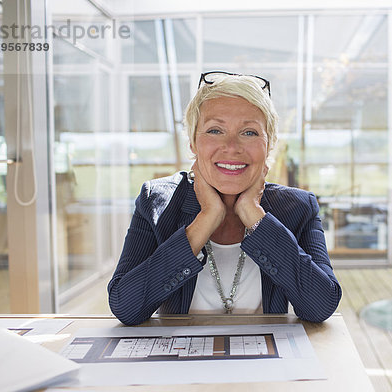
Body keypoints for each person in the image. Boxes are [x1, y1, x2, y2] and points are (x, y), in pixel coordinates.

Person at [108, 71, 341, 326]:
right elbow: (125, 306)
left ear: (269, 144)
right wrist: (207, 217)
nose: (231, 146)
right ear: (193, 143)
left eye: (249, 132)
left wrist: (253, 214)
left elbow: (321, 305)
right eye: (215, 130)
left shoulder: (298, 207)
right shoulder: (157, 201)